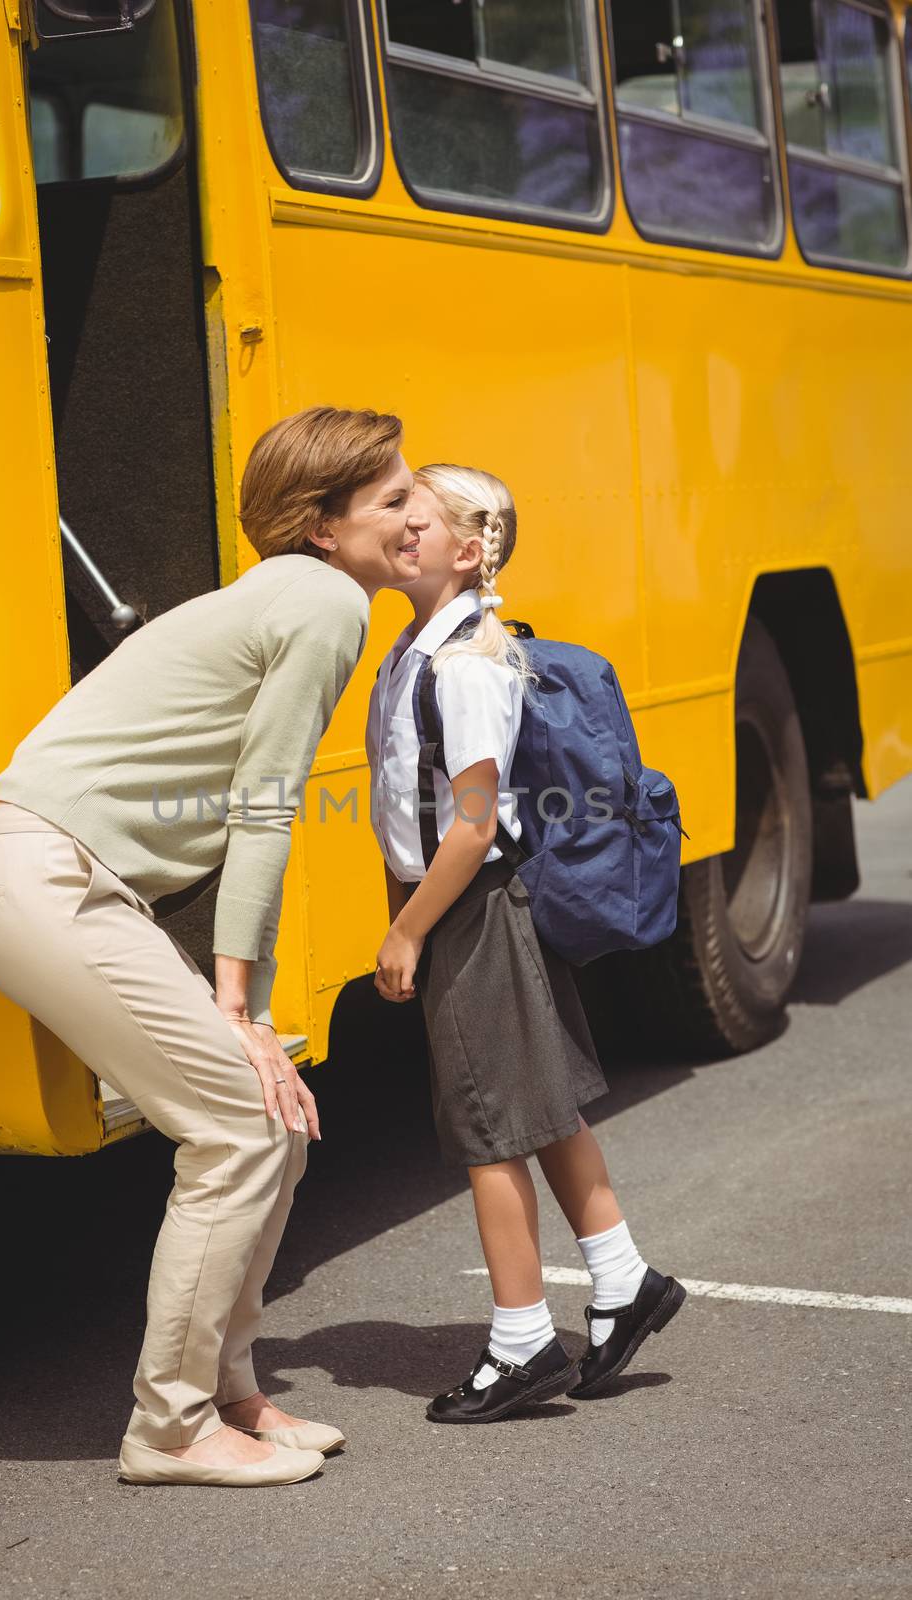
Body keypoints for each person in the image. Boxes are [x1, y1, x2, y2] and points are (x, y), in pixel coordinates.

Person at [0, 406, 427, 1485]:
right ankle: (168, 1427)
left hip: (59, 880)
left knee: (268, 1119)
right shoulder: (321, 603)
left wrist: (246, 1023)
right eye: (392, 499)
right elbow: (265, 810)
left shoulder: (287, 592)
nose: (419, 514)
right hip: (46, 881)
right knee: (237, 1127)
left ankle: (229, 1394)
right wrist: (238, 1009)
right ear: (322, 526)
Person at [365, 463, 685, 1423]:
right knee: (537, 1106)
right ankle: (624, 1281)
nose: (399, 531)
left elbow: (467, 827)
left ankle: (520, 1343)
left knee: (488, 1131)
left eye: (416, 521)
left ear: (468, 553)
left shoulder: (465, 666)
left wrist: (407, 931)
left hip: (471, 907)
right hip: (475, 903)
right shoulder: (418, 650)